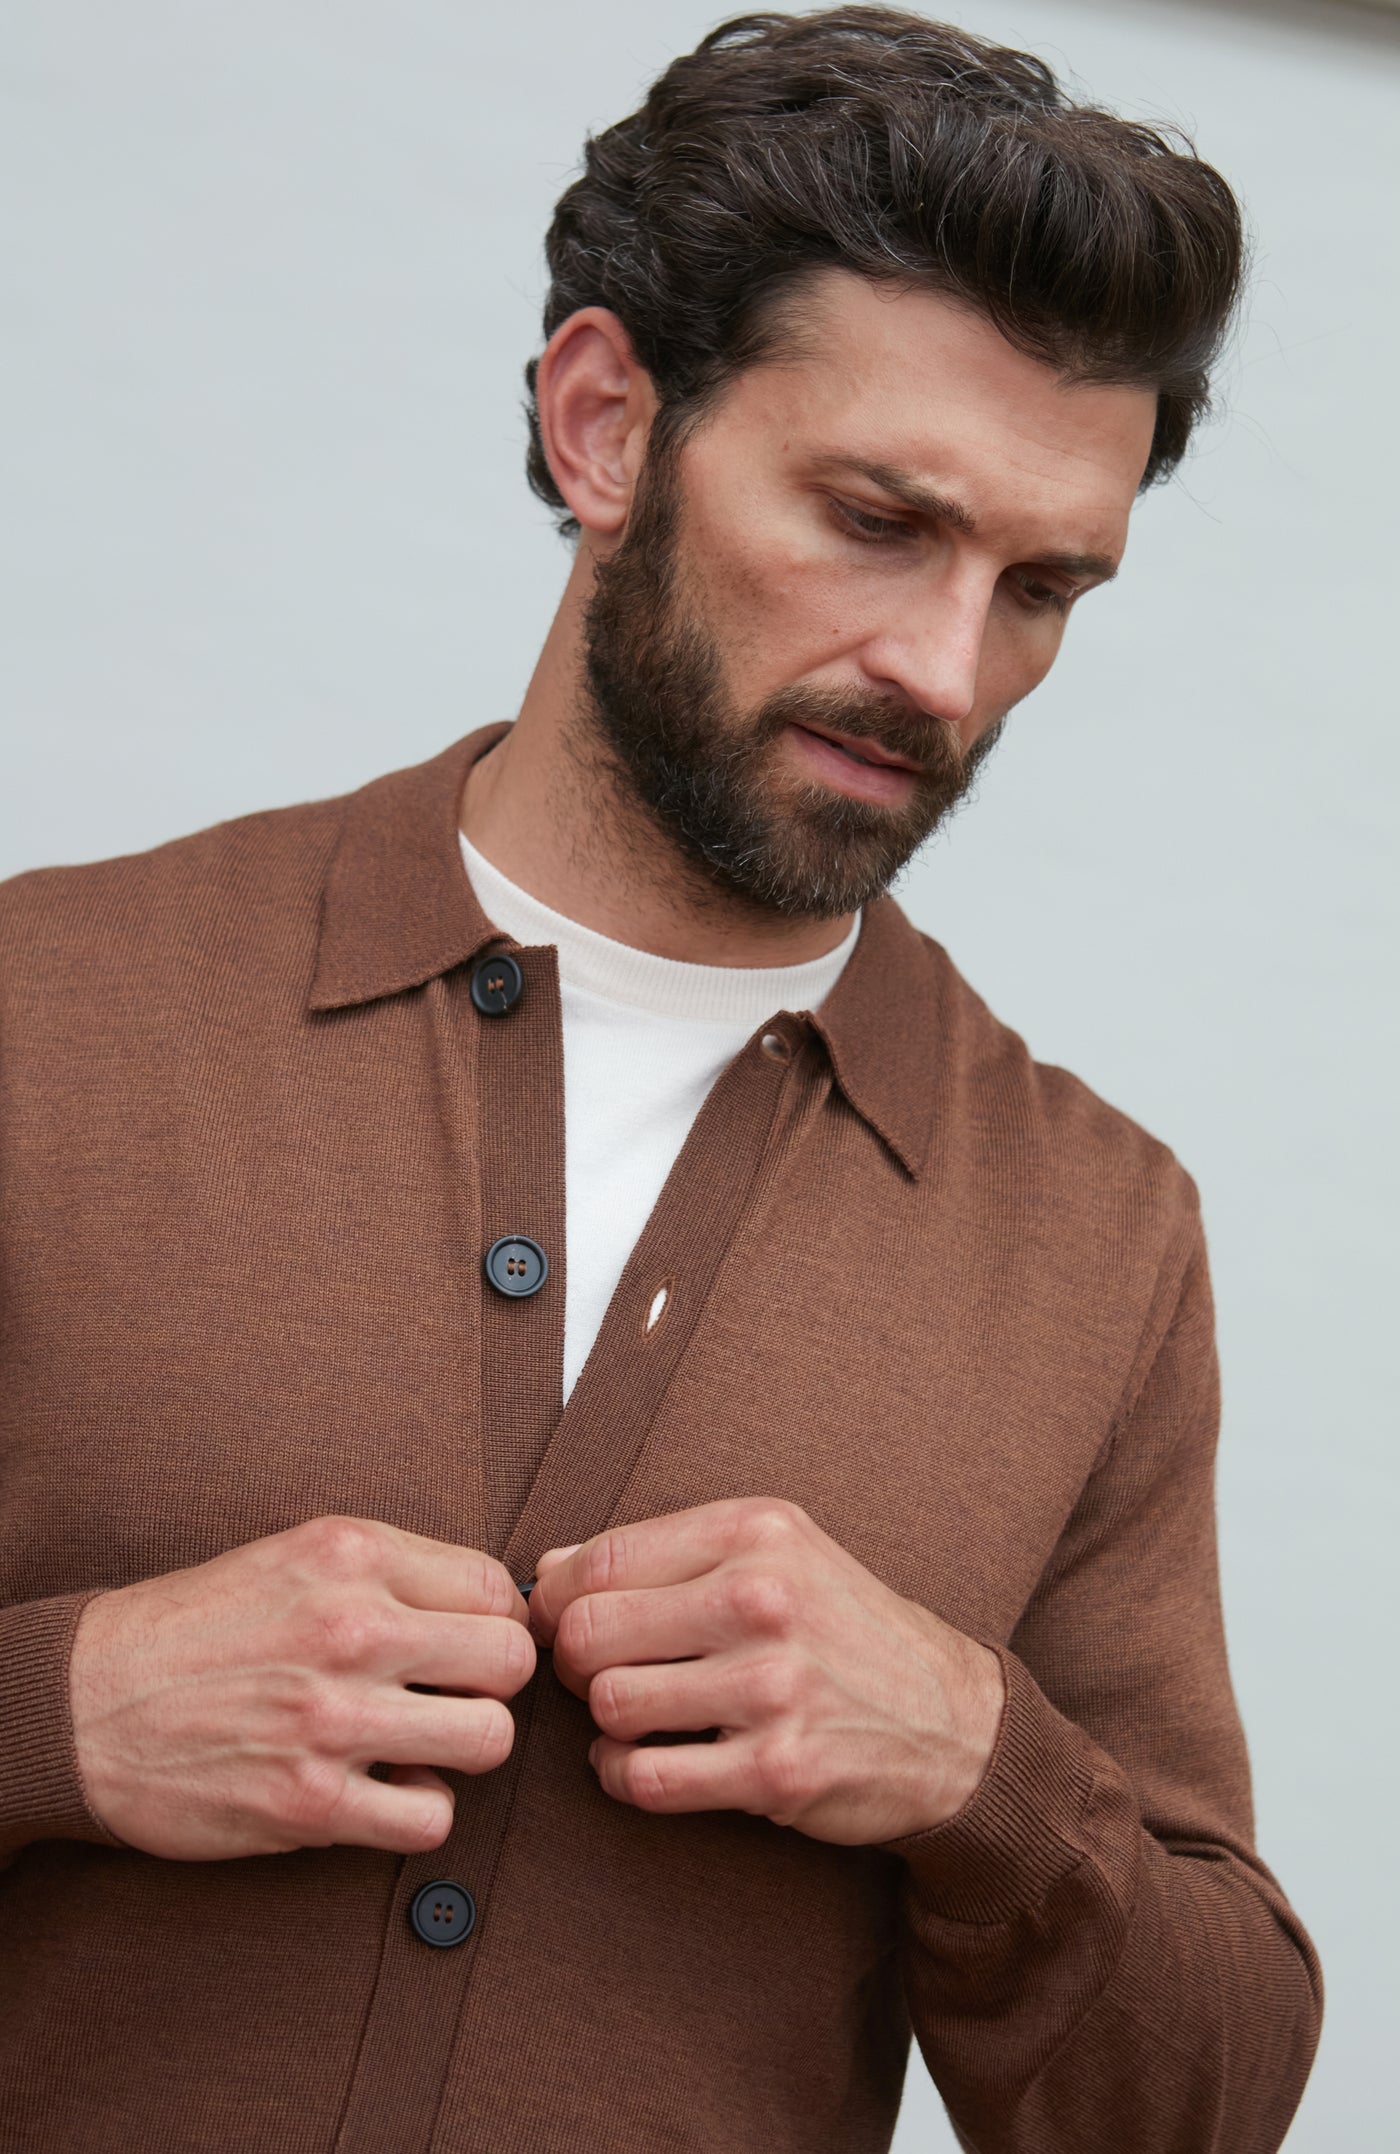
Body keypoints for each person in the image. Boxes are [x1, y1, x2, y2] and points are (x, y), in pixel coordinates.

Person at [0, 9, 1322, 2150]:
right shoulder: (39, 1015)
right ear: (607, 421)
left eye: (1045, 587)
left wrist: (976, 1763)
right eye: (879, 518)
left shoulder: (1094, 1234)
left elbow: (1194, 2104)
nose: (949, 670)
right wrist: (52, 1720)